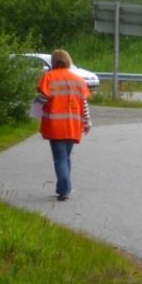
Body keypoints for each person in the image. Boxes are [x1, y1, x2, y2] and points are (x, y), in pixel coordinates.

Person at [36, 49, 92, 201]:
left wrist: (33, 113)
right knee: (66, 157)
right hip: (73, 126)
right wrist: (87, 122)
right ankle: (63, 188)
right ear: (68, 61)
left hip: (56, 126)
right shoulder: (78, 80)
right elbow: (84, 103)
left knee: (60, 158)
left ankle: (65, 189)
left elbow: (42, 99)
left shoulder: (49, 77)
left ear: (53, 62)